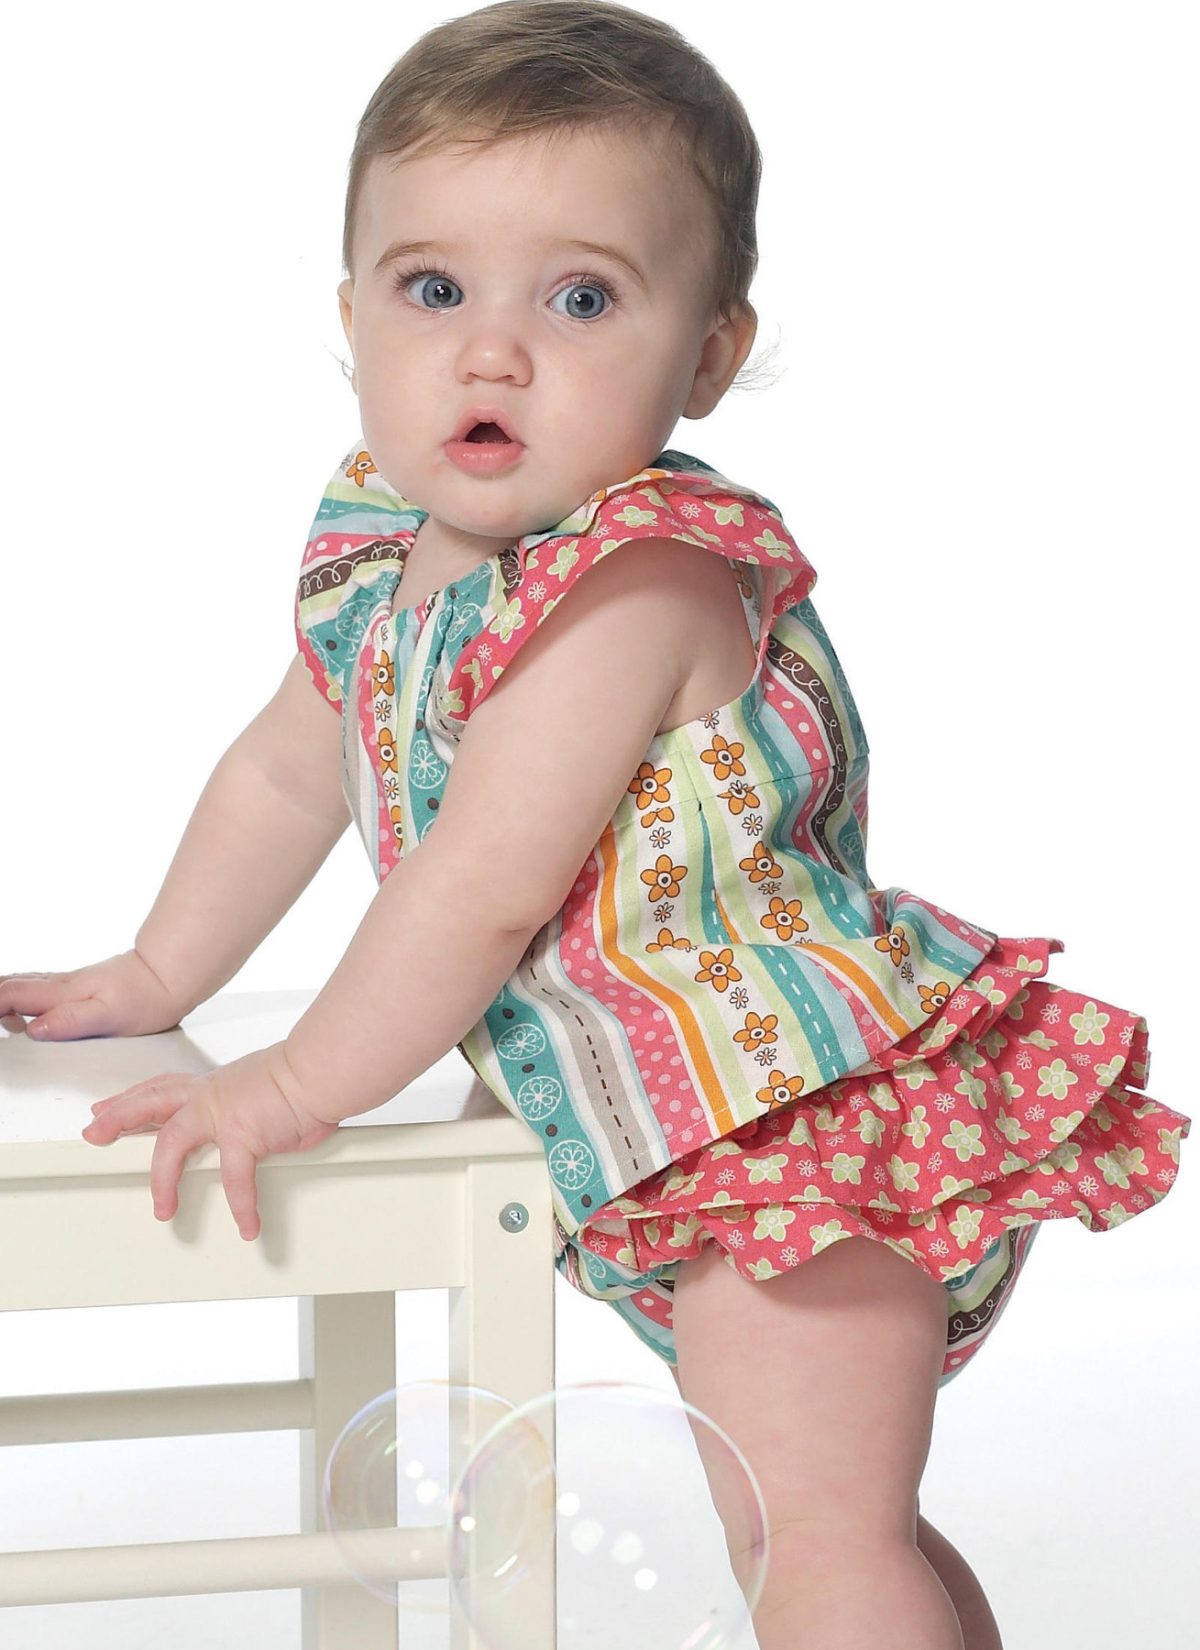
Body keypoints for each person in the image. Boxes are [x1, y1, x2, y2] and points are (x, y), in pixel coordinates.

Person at [0, 3, 1190, 1645]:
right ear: (349, 316)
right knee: (835, 1532)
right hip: (674, 1148)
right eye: (434, 290)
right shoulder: (380, 549)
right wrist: (157, 966)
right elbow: (287, 769)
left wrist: (290, 1082)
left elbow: (483, 882)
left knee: (818, 1545)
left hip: (788, 1129)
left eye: (580, 299)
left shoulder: (633, 579)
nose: (493, 352)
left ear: (706, 354)